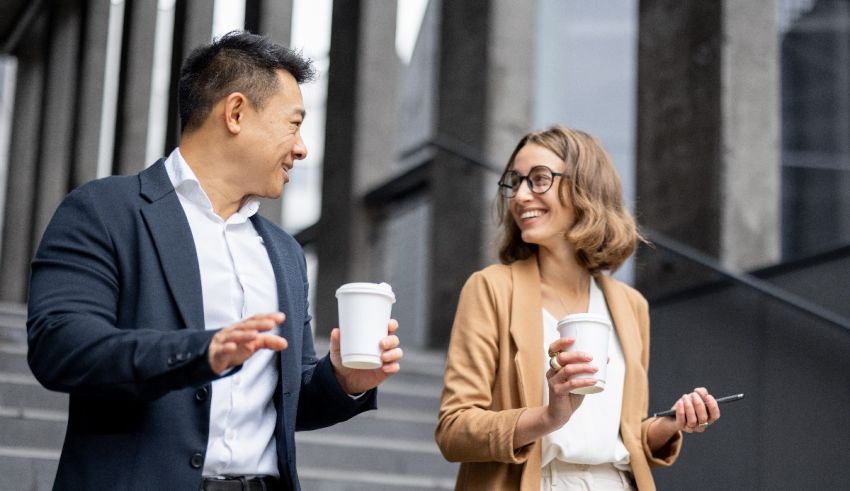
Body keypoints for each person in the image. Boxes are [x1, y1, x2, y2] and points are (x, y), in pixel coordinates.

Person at [26, 31, 403, 491]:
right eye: (294, 124)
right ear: (236, 113)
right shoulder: (105, 211)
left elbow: (288, 398)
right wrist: (201, 353)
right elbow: (60, 347)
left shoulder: (284, 253)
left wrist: (344, 380)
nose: (302, 148)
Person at [434, 125, 720, 490]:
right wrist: (548, 417)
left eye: (539, 179)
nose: (520, 195)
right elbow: (454, 429)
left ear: (585, 189)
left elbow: (624, 435)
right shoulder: (491, 288)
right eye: (514, 182)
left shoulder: (630, 305)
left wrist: (672, 424)